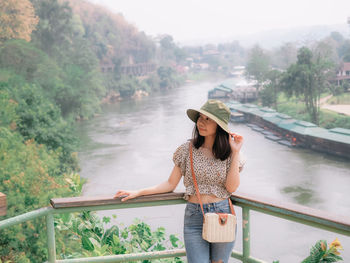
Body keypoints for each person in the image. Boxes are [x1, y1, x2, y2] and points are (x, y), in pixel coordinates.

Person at [114, 99, 245, 263]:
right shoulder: (186, 150)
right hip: (194, 216)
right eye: (200, 118)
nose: (201, 123)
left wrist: (235, 152)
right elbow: (170, 184)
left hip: (222, 214)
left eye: (207, 119)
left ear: (219, 125)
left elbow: (231, 187)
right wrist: (138, 192)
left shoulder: (230, 153)